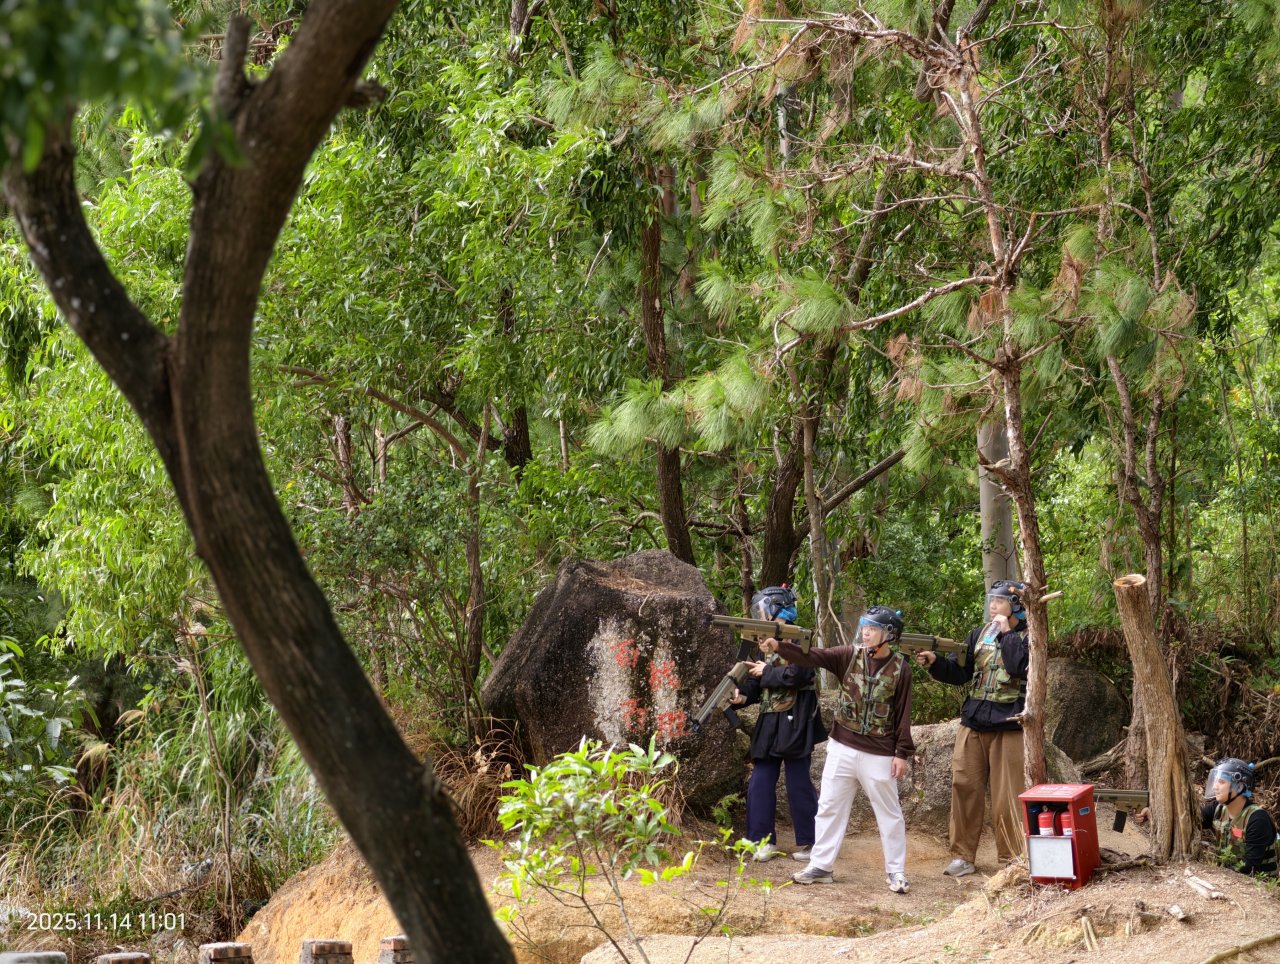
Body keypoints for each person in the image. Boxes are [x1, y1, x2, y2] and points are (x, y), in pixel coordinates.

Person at [761, 605, 913, 894]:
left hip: (880, 753)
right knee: (829, 806)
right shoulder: (848, 655)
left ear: (889, 634)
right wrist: (779, 646)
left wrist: (901, 752)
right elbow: (813, 657)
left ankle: (896, 871)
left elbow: (903, 713)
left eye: (873, 628)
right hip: (842, 746)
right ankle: (821, 866)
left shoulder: (901, 670)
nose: (866, 632)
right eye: (865, 626)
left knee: (889, 814)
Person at [915, 579, 1029, 877]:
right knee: (964, 786)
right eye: (991, 599)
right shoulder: (979, 634)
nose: (993, 605)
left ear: (1016, 605)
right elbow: (960, 672)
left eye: (1000, 600)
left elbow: (1019, 666)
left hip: (1010, 725)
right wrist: (934, 663)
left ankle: (1012, 860)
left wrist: (1006, 633)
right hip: (974, 721)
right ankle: (962, 856)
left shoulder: (1030, 635)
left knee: (1008, 797)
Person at [729, 586, 824, 862]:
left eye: (761, 610)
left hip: (797, 718)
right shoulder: (765, 643)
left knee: (798, 783)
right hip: (771, 719)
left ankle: (813, 842)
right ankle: (761, 840)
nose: (758, 615)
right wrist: (743, 695)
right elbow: (758, 684)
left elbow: (798, 674)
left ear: (773, 609)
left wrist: (767, 671)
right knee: (760, 778)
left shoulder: (800, 638)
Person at [1200, 757, 1278, 876]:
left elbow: (1249, 867)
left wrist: (1214, 875)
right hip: (1226, 880)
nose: (1215, 786)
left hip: (1258, 887)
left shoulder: (1257, 819)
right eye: (1215, 781)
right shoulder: (1217, 809)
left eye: (1221, 782)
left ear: (1239, 787)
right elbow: (1191, 821)